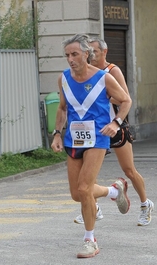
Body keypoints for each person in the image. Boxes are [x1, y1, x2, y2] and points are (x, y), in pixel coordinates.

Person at [51, 34, 132, 258]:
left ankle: (90, 240)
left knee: (85, 189)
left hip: (98, 137)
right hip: (74, 139)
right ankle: (113, 191)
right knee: (77, 194)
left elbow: (126, 100)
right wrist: (57, 134)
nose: (70, 59)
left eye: (75, 54)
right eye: (67, 55)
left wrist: (116, 123)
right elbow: (62, 107)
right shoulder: (64, 79)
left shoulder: (104, 78)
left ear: (87, 54)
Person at [72, 37, 154, 227]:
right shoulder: (87, 73)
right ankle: (94, 208)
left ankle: (145, 204)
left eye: (95, 52)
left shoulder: (112, 71)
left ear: (104, 52)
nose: (91, 56)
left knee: (129, 170)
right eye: (88, 52)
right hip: (94, 129)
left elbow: (124, 98)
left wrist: (103, 96)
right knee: (88, 173)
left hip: (115, 127)